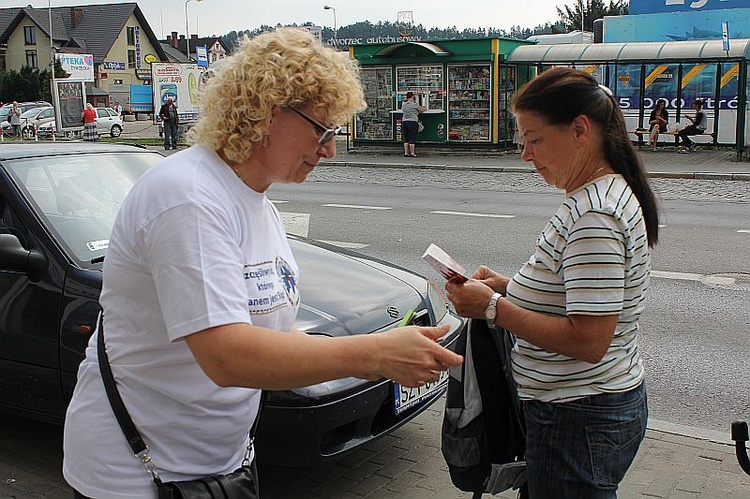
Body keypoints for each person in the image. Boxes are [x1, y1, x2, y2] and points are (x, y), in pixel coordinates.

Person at [62, 28, 462, 499]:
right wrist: (375, 356)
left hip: (217, 465)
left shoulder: (256, 202)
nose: (330, 149)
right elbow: (227, 356)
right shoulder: (188, 198)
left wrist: (382, 343)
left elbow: (262, 331)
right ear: (268, 110)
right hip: (135, 477)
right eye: (323, 129)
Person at [444, 67, 659, 499]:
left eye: (535, 139)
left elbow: (589, 340)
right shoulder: (596, 196)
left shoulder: (594, 217)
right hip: (583, 410)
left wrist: (491, 308)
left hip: (579, 416)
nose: (526, 154)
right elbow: (570, 291)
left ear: (580, 130)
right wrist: (507, 286)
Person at [401, 91, 425, 157]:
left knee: (406, 138)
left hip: (404, 122)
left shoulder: (404, 104)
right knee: (412, 137)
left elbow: (403, 110)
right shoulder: (415, 104)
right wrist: (424, 108)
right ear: (412, 97)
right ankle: (412, 153)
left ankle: (406, 152)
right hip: (412, 122)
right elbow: (422, 110)